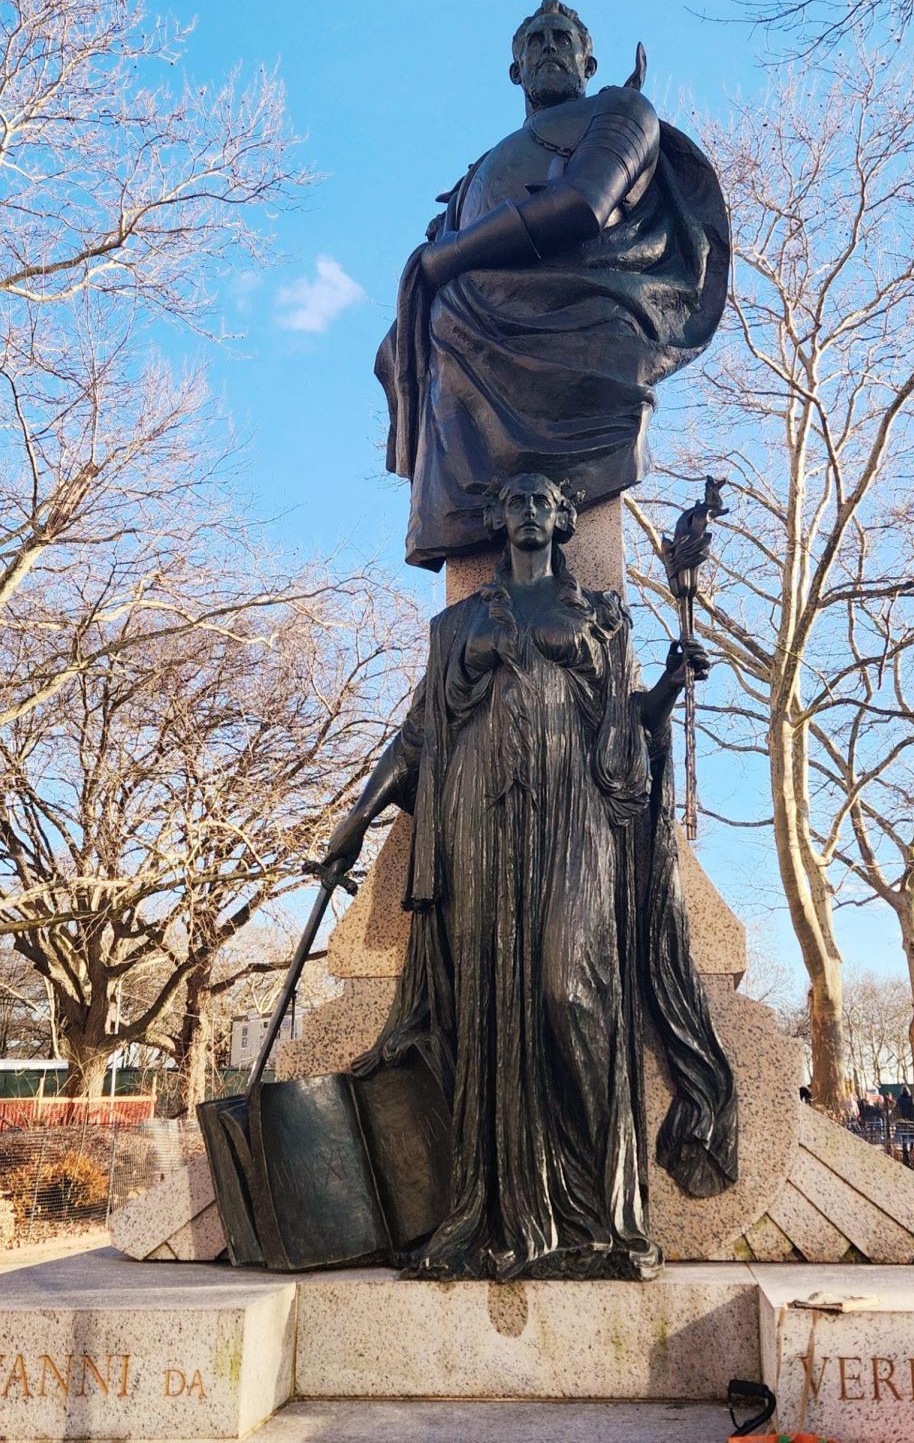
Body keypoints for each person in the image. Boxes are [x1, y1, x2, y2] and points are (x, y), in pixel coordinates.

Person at [321, 473, 737, 1281]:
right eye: (515, 502)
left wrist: (670, 687)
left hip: (576, 815)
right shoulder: (457, 625)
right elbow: (415, 740)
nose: (529, 513)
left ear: (563, 520)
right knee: (487, 1009)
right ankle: (495, 1211)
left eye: (543, 503)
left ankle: (598, 1211)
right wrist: (351, 824)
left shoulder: (602, 616)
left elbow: (627, 731)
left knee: (567, 990)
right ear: (497, 519)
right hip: (479, 821)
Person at [377, 0, 729, 569]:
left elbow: (582, 204)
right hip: (467, 331)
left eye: (562, 39)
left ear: (589, 64)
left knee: (449, 308)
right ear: (515, 70)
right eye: (534, 41)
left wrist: (443, 260)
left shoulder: (621, 111)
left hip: (587, 315)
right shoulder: (482, 167)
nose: (548, 48)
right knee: (436, 320)